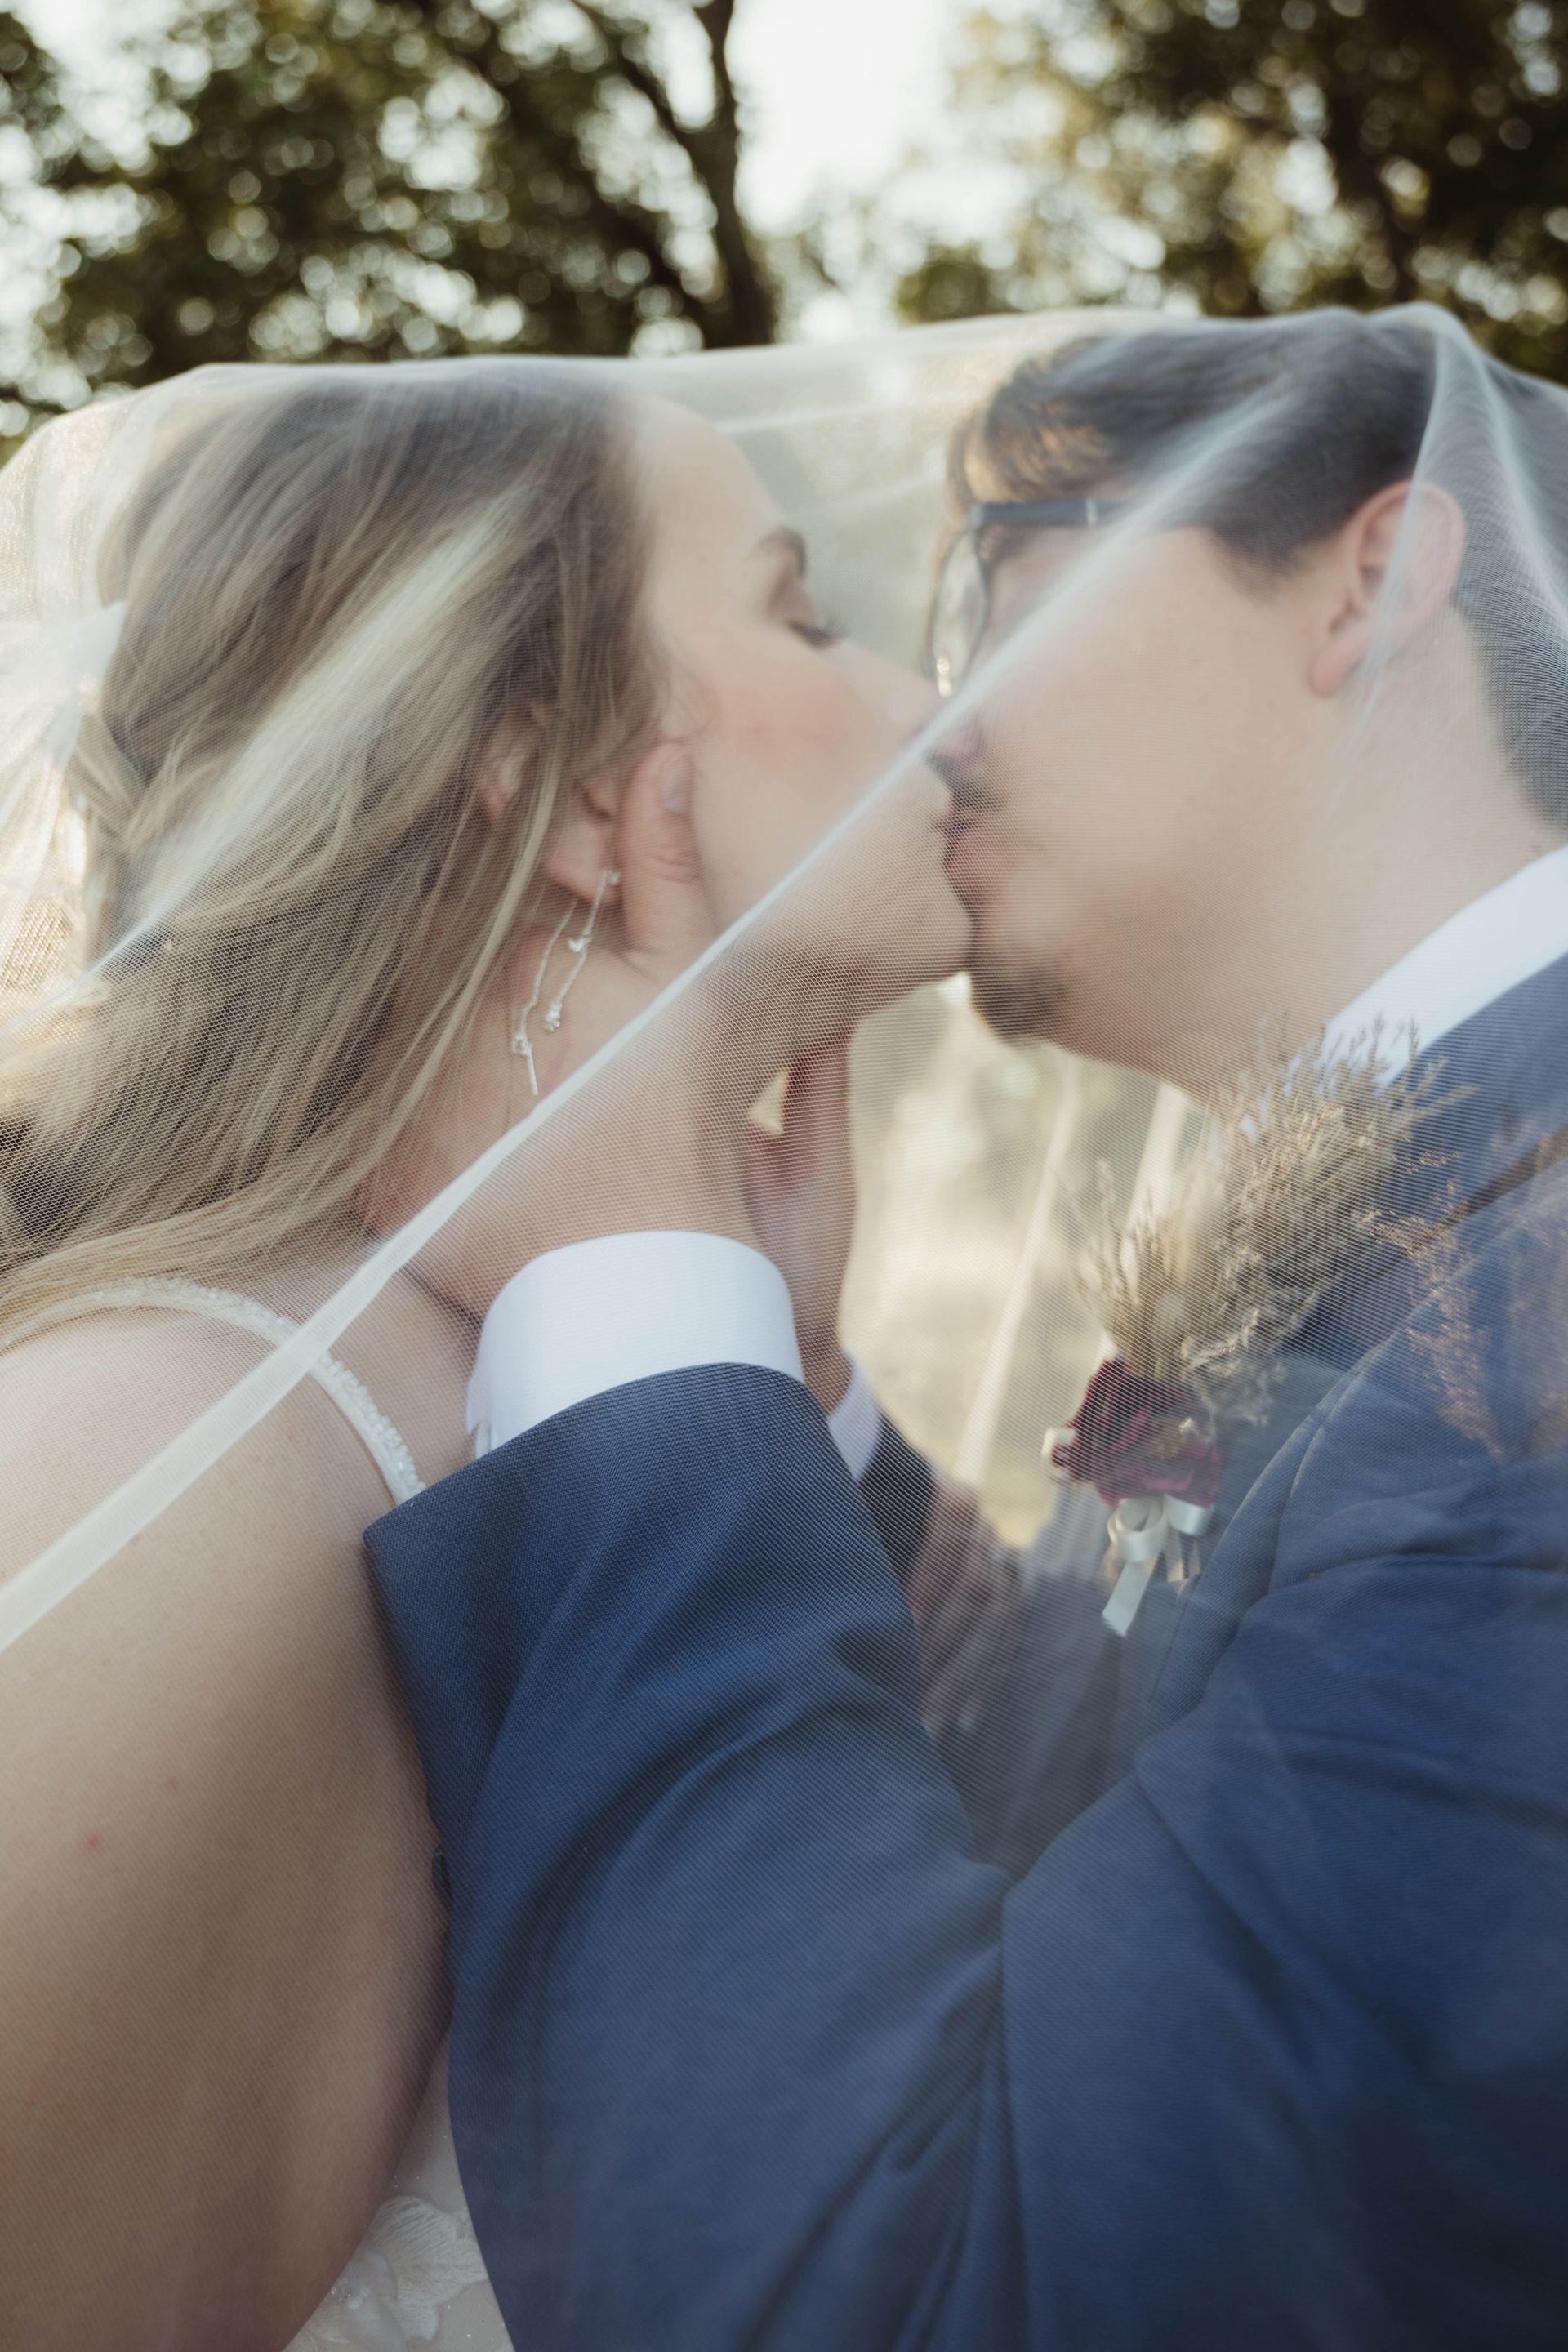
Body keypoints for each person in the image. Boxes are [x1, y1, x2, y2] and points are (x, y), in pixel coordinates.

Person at [366, 307, 1568, 2348]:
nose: (938, 709)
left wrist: (637, 1308)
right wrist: (802, 1421)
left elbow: (928, 2295)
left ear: (1374, 578)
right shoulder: (1434, 1207)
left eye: (1007, 578)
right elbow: (1145, 1770)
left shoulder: (1532, 1334)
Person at [0, 360, 982, 2350]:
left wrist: (758, 1365)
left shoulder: (596, 1381)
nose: (930, 699)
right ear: (544, 771)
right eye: (801, 610)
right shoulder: (181, 1443)